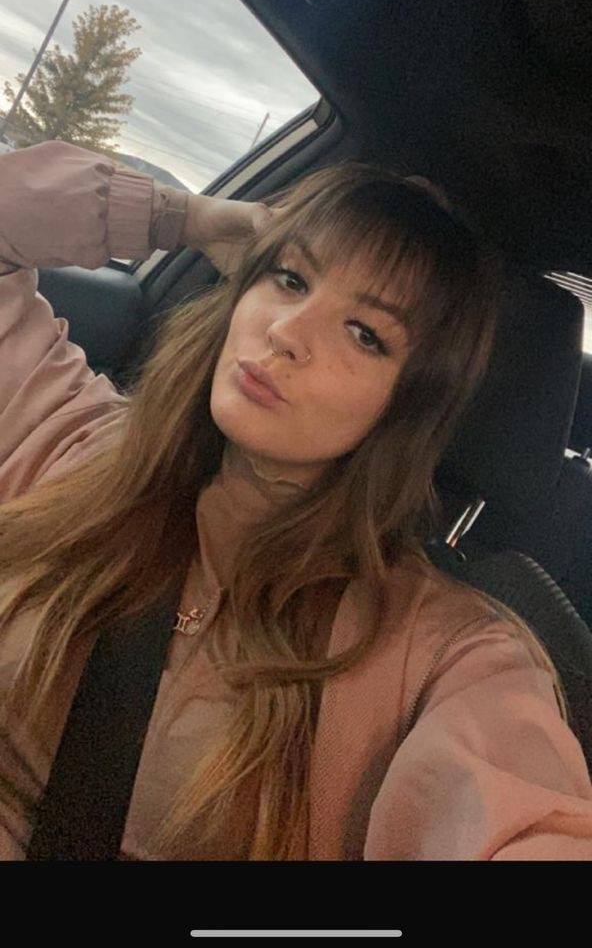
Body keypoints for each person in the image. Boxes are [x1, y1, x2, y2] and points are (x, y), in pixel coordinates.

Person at [0, 139, 591, 862]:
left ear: (408, 406)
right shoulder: (75, 438)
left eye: (365, 335)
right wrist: (191, 219)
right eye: (289, 278)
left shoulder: (444, 657)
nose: (286, 333)